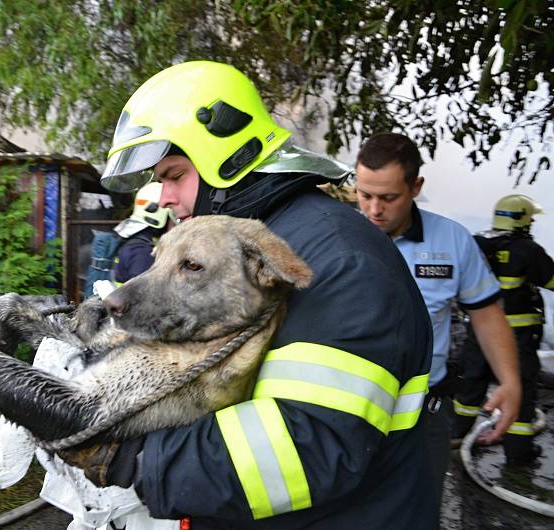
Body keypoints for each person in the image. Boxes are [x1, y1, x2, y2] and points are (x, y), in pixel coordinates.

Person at [89, 61, 436, 529]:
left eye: (173, 175)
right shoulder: (263, 241)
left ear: (225, 158)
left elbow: (306, 445)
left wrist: (140, 458)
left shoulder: (339, 262)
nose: (165, 197)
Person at [354, 132, 522, 509]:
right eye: (364, 194)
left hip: (424, 411)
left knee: (420, 508)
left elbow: (487, 314)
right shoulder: (334, 236)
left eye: (388, 197)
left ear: (416, 187)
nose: (373, 209)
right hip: (350, 408)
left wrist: (510, 381)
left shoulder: (453, 241)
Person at [452, 194, 554, 463]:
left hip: (479, 329)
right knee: (519, 387)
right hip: (517, 335)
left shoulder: (476, 243)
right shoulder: (527, 250)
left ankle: (455, 432)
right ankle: (518, 452)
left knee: (472, 380)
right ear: (522, 219)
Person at [112, 181, 171, 284]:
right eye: (171, 215)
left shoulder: (134, 241)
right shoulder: (143, 252)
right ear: (159, 216)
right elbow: (141, 296)